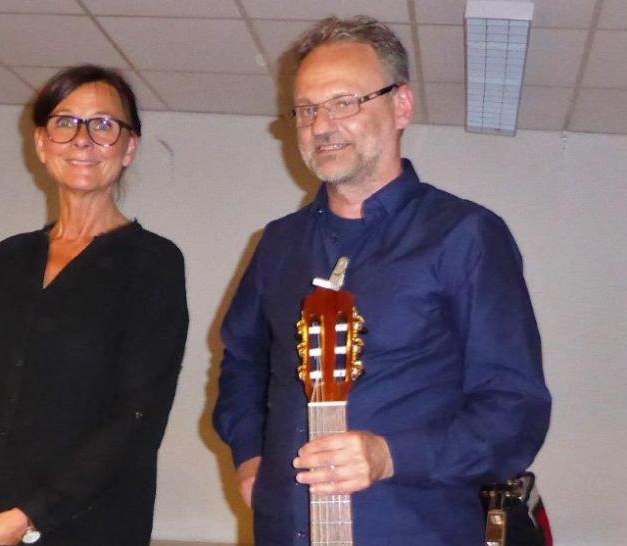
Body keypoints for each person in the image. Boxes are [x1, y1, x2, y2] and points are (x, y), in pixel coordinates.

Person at [213, 16, 551, 546]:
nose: (321, 125)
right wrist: (250, 456)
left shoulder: (465, 236)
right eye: (307, 109)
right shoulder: (278, 244)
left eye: (344, 102)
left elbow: (515, 411)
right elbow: (242, 363)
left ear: (402, 106)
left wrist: (392, 455)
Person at [0, 65, 188, 545]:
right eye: (65, 123)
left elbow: (137, 419)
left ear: (129, 148)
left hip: (88, 528)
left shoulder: (154, 264)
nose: (82, 139)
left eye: (104, 125)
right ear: (42, 144)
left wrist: (29, 517)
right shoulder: (8, 259)